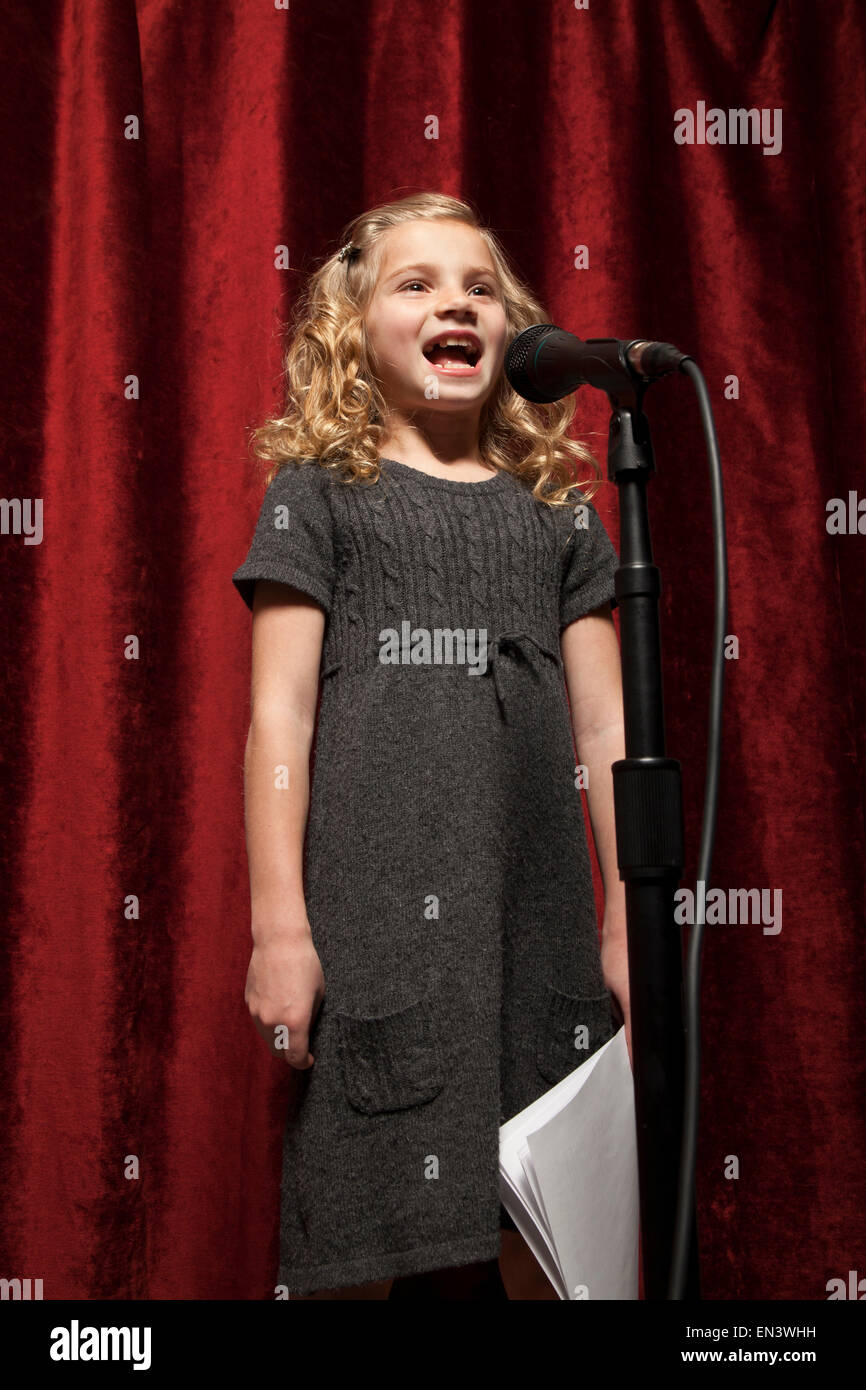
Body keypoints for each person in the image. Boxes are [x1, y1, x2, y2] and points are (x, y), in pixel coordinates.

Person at [232, 192, 632, 1301]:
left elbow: (604, 729)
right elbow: (280, 721)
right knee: (370, 1227)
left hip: (534, 921)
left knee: (538, 1231)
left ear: (511, 335)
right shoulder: (318, 497)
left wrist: (625, 923)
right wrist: (280, 930)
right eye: (415, 283)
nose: (453, 302)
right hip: (375, 926)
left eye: (478, 288)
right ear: (350, 331)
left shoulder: (558, 509)